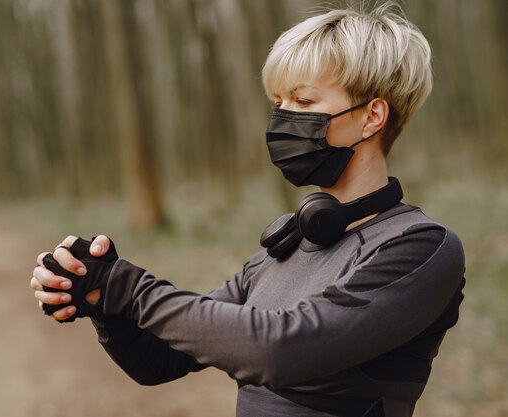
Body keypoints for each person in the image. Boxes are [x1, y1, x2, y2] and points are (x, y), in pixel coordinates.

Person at [30, 3, 465, 416]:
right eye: (279, 103)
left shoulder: (420, 247)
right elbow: (157, 360)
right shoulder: (289, 245)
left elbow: (281, 351)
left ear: (372, 117)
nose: (283, 119)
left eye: (304, 101)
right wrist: (98, 292)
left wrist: (131, 290)